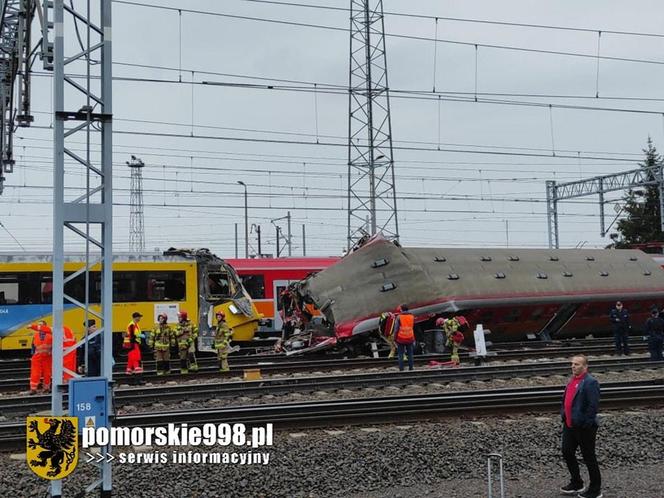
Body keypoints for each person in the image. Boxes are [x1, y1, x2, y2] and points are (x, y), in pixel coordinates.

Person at [559, 354, 602, 498]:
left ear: (585, 367)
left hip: (583, 427)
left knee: (589, 457)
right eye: (572, 364)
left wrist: (586, 423)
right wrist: (564, 414)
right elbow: (566, 399)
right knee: (567, 451)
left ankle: (595, 490)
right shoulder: (572, 381)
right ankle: (576, 482)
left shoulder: (590, 382)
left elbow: (593, 405)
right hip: (570, 425)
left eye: (577, 364)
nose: (573, 366)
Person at [28, 321, 52, 395]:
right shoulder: (35, 335)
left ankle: (46, 388)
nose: (39, 327)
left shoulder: (50, 335)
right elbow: (33, 346)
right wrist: (32, 355)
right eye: (39, 325)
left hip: (47, 357)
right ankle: (33, 389)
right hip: (37, 357)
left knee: (47, 373)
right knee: (35, 373)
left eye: (41, 325)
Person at [124, 312, 145, 384]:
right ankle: (138, 380)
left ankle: (129, 380)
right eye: (138, 317)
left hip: (131, 345)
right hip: (133, 344)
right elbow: (132, 335)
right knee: (136, 360)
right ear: (135, 317)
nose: (139, 318)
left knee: (130, 362)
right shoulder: (132, 325)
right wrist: (140, 335)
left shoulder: (135, 325)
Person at [394, 304, 415, 371]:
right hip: (410, 337)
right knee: (410, 354)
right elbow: (412, 326)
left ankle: (401, 368)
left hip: (401, 338)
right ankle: (411, 368)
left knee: (400, 354)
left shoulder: (399, 317)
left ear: (401, 309)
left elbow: (396, 329)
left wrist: (395, 338)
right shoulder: (412, 316)